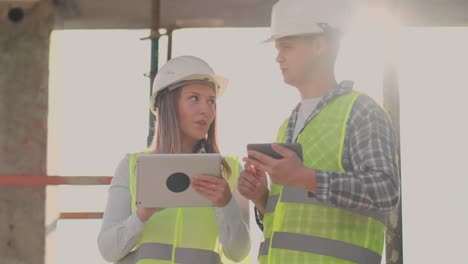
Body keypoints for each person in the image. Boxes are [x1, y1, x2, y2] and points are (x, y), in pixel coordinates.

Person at [237, 0, 400, 263]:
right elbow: (292, 224)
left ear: (319, 46)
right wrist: (261, 197)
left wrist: (307, 177)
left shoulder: (361, 112)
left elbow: (386, 191)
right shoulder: (286, 125)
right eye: (278, 48)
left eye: (286, 47)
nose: (278, 57)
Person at [98, 55, 251, 264]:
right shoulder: (132, 166)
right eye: (194, 98)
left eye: (211, 101)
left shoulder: (230, 170)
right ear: (168, 105)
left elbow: (239, 252)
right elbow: (109, 250)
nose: (206, 109)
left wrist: (225, 204)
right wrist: (142, 216)